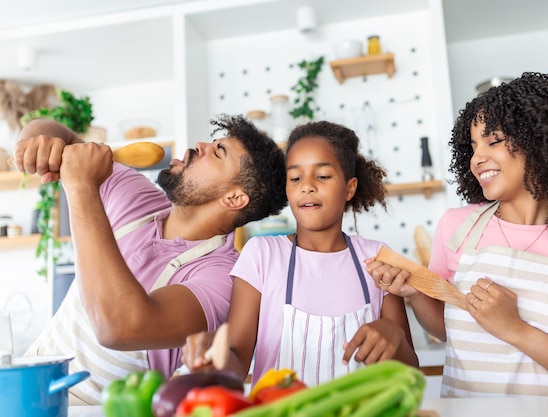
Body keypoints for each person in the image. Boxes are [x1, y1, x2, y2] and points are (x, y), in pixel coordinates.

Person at [366, 72, 548, 396]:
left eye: (493, 141)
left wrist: (516, 330)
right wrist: (415, 294)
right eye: (473, 146)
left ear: (541, 142)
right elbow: (449, 329)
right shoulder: (458, 226)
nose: (477, 159)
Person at [13, 114, 287, 404]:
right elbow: (68, 142)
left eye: (218, 152)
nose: (200, 146)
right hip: (29, 385)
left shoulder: (221, 279)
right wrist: (36, 139)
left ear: (234, 199)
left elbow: (119, 328)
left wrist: (81, 187)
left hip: (101, 409)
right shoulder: (136, 195)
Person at [182, 121, 419, 387]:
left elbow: (410, 371)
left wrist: (395, 337)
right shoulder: (262, 254)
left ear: (349, 188)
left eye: (323, 176)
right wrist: (216, 353)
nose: (307, 186)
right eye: (295, 178)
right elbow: (237, 359)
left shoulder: (377, 257)